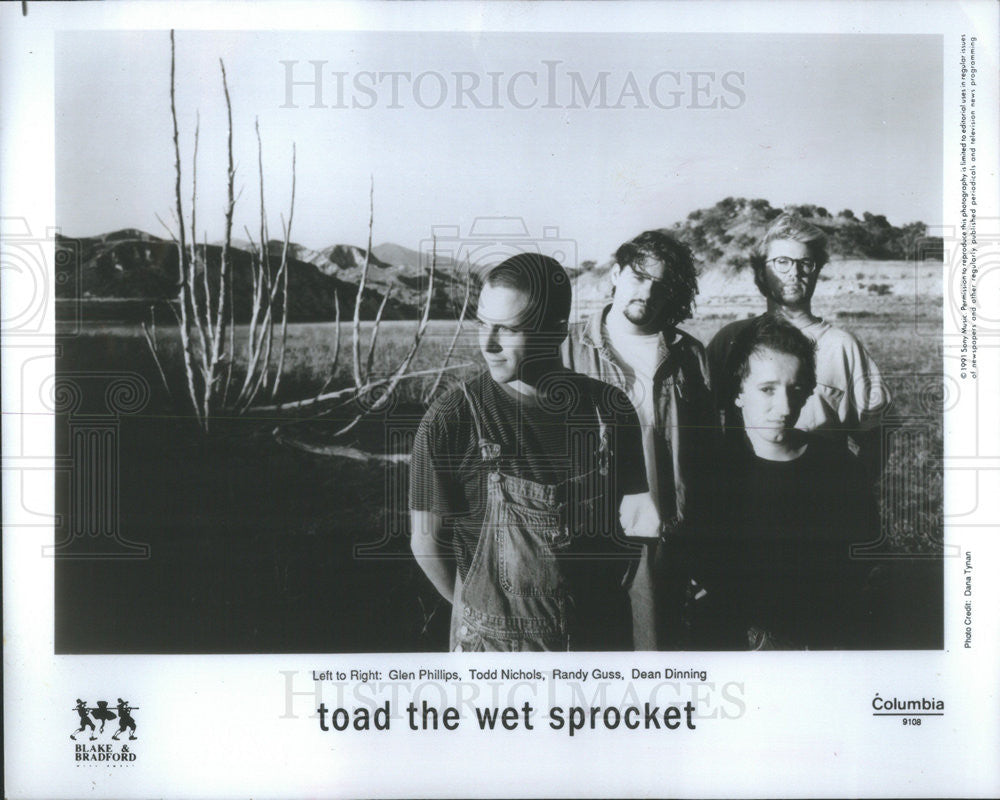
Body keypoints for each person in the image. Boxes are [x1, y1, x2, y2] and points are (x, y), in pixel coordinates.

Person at [410, 252, 659, 651]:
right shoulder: (452, 418)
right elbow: (425, 544)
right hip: (495, 660)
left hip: (595, 646)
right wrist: (483, 618)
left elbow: (632, 535)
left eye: (508, 329)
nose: (488, 344)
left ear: (556, 331)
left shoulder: (608, 410)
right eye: (483, 324)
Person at [563, 230, 715, 649]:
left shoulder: (690, 355)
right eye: (637, 276)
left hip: (663, 539)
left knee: (652, 660)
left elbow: (708, 456)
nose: (646, 291)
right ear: (615, 275)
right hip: (585, 538)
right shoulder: (565, 350)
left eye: (660, 283)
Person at [690, 315, 879, 649]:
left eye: (796, 389)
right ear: (738, 393)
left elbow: (863, 555)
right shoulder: (709, 471)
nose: (785, 406)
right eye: (767, 390)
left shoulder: (837, 466)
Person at [707, 213, 890, 475]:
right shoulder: (732, 338)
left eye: (806, 262)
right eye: (782, 262)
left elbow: (876, 437)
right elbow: (702, 424)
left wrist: (853, 497)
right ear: (762, 271)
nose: (794, 272)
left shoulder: (841, 346)